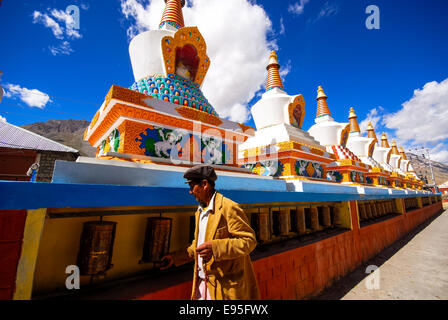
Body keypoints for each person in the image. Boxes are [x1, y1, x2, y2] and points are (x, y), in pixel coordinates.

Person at [161, 164, 260, 300]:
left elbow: (249, 241)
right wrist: (176, 258)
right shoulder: (200, 211)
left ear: (204, 184)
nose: (190, 191)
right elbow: (198, 244)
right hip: (203, 283)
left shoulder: (228, 207)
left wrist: (215, 248)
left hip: (225, 286)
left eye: (192, 186)